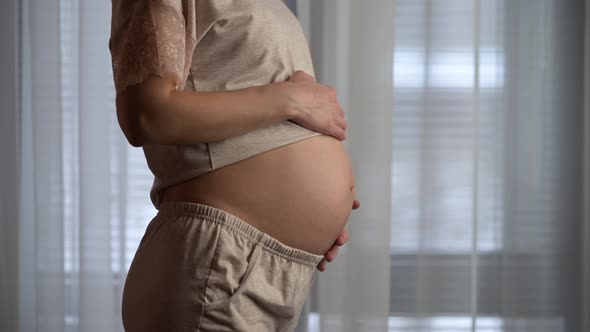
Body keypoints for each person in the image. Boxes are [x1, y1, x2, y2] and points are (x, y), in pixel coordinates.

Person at [109, 0, 359, 331]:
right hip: (218, 263)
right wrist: (292, 100)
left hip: (268, 268)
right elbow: (146, 114)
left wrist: (320, 211)